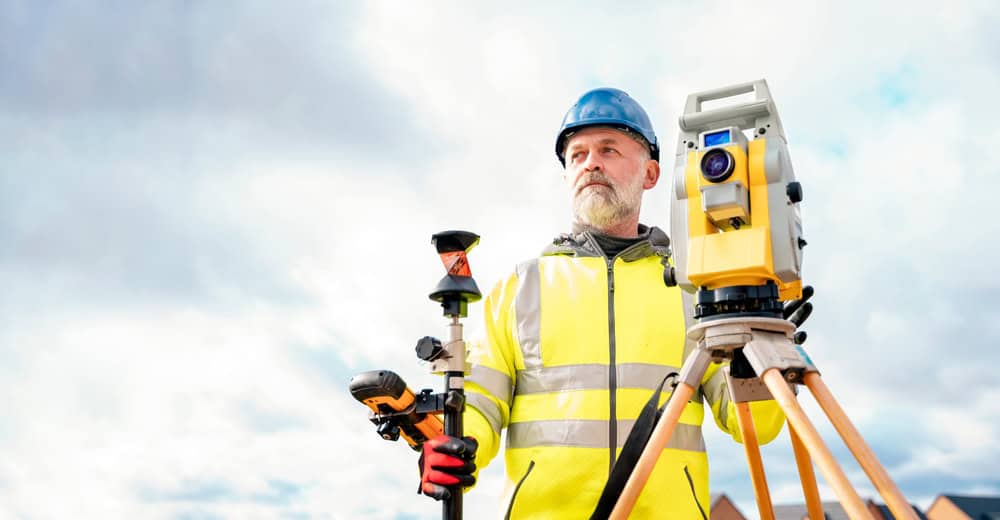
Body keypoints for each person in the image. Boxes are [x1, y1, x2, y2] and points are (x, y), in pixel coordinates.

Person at [419, 88, 791, 518]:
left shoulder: (694, 288)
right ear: (566, 176)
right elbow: (480, 403)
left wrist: (764, 342)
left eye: (609, 149)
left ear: (651, 174)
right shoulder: (522, 287)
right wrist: (453, 445)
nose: (590, 163)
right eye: (577, 155)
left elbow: (757, 428)